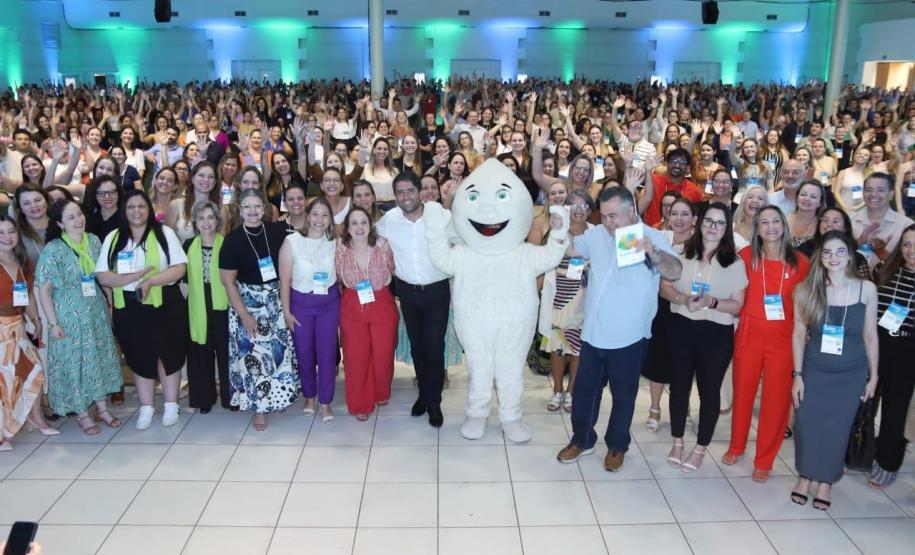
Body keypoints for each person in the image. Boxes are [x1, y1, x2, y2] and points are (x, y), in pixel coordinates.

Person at [557, 186, 682, 470]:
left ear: (631, 211)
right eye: (605, 216)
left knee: (624, 395)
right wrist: (559, 229)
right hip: (593, 332)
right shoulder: (597, 235)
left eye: (614, 216)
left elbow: (674, 271)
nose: (609, 222)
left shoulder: (651, 237)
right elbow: (571, 249)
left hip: (629, 336)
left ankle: (617, 446)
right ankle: (582, 439)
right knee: (585, 391)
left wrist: (653, 253)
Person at [789, 230, 879, 509]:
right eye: (827, 252)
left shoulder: (866, 289)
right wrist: (798, 375)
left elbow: (870, 335)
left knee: (837, 429)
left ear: (850, 255)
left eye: (840, 251)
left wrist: (873, 376)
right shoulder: (806, 289)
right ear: (820, 257)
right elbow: (797, 333)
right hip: (814, 369)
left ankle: (826, 481)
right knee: (807, 425)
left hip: (851, 372)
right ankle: (805, 476)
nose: (834, 257)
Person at [723, 205, 810, 482]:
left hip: (783, 341)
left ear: (784, 225)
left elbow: (807, 306)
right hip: (749, 335)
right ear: (756, 229)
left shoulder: (800, 263)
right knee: (743, 394)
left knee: (775, 401)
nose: (770, 227)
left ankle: (764, 459)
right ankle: (736, 446)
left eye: (776, 221)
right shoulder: (746, 257)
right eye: (764, 223)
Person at [661, 201, 749, 473]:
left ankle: (700, 448)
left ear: (727, 228)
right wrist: (681, 297)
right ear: (700, 223)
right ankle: (677, 442)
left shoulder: (734, 263)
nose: (713, 227)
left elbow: (737, 305)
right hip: (682, 327)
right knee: (679, 388)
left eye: (720, 223)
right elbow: (664, 287)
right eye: (709, 221)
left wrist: (712, 303)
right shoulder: (681, 253)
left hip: (716, 333)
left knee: (709, 392)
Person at [95, 190, 189, 430]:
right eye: (131, 207)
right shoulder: (114, 238)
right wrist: (133, 278)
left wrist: (150, 281)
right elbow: (103, 276)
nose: (136, 211)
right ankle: (146, 407)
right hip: (130, 306)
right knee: (139, 356)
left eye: (141, 206)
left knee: (168, 354)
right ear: (124, 211)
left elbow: (179, 268)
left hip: (166, 302)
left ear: (149, 210)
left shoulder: (164, 233)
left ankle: (170, 405)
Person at [36, 199, 122, 434]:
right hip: (68, 314)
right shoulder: (53, 249)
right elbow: (44, 289)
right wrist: (52, 323)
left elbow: (102, 275)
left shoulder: (93, 241)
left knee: (100, 358)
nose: (78, 220)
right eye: (71, 217)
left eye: (79, 214)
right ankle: (83, 413)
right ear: (60, 224)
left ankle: (102, 408)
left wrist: (111, 303)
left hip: (95, 309)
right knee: (77, 364)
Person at [219, 189, 297, 430]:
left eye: (257, 206)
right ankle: (260, 409)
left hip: (276, 300)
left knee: (279, 354)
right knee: (254, 358)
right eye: (247, 207)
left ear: (264, 209)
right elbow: (228, 282)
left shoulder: (278, 230)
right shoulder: (232, 241)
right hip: (249, 304)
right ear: (240, 210)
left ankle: (278, 397)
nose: (252, 211)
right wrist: (244, 315)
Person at [376, 172, 450, 426]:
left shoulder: (440, 216)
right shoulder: (390, 220)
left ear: (419, 191)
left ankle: (435, 402)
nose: (406, 197)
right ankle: (423, 395)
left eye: (410, 191)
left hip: (437, 291)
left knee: (434, 348)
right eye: (400, 192)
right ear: (395, 196)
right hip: (407, 292)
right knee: (418, 347)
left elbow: (461, 242)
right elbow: (368, 238)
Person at [279, 197, 340, 422]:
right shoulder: (292, 241)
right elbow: (284, 280)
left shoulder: (335, 241)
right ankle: (309, 397)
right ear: (308, 215)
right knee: (304, 353)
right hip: (300, 303)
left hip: (328, 303)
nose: (319, 220)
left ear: (330, 219)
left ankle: (325, 402)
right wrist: (286, 312)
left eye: (325, 215)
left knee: (327, 353)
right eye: (315, 214)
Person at [335, 206, 399, 419]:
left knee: (383, 353)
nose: (359, 227)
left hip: (381, 301)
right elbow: (336, 277)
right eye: (354, 223)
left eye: (363, 222)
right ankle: (360, 404)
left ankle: (381, 391)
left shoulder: (383, 245)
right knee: (355, 356)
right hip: (352, 305)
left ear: (370, 224)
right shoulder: (340, 248)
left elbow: (392, 269)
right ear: (347, 227)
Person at [0, 216, 55, 450]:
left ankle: (35, 418)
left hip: (18, 326)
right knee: (4, 381)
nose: (7, 237)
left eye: (11, 231)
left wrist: (36, 319)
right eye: (1, 233)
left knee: (34, 371)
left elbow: (30, 295)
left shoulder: (22, 261)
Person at [642, 197, 696, 432]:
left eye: (685, 214)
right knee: (658, 359)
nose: (679, 219)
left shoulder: (701, 245)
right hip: (661, 309)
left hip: (688, 309)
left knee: (683, 362)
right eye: (674, 214)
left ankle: (680, 407)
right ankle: (654, 408)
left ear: (694, 219)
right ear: (667, 216)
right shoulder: (659, 241)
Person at [868, 224, 915, 489]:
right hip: (878, 345)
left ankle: (886, 464)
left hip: (908, 354)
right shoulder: (886, 271)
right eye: (907, 244)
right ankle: (860, 453)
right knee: (866, 405)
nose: (911, 251)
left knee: (895, 411)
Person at [539, 190, 593, 413]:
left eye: (583, 205)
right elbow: (543, 259)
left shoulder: (595, 233)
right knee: (557, 346)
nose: (578, 209)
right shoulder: (557, 230)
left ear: (590, 210)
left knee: (578, 348)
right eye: (573, 205)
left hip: (584, 296)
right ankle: (557, 390)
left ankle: (572, 392)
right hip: (558, 295)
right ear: (566, 209)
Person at [184, 201, 232, 414]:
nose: (206, 222)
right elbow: (182, 279)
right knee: (201, 352)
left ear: (217, 221)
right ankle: (204, 398)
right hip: (197, 305)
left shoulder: (227, 244)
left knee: (226, 352)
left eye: (210, 217)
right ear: (195, 222)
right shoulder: (187, 246)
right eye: (201, 218)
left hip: (223, 304)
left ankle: (230, 397)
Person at [852, 173, 914, 266]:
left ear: (891, 194)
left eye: (880, 190)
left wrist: (881, 252)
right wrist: (859, 243)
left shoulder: (906, 225)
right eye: (869, 190)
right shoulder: (850, 220)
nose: (873, 194)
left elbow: (910, 264)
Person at [643, 148, 703, 227]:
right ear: (667, 164)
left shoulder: (695, 191)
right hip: (651, 233)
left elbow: (695, 220)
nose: (677, 165)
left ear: (688, 168)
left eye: (682, 162)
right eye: (673, 161)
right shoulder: (653, 180)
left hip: (679, 237)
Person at [83, 174, 122, 240]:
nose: (107, 196)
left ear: (118, 194)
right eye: (101, 193)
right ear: (95, 195)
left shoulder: (127, 218)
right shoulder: (90, 221)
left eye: (112, 192)